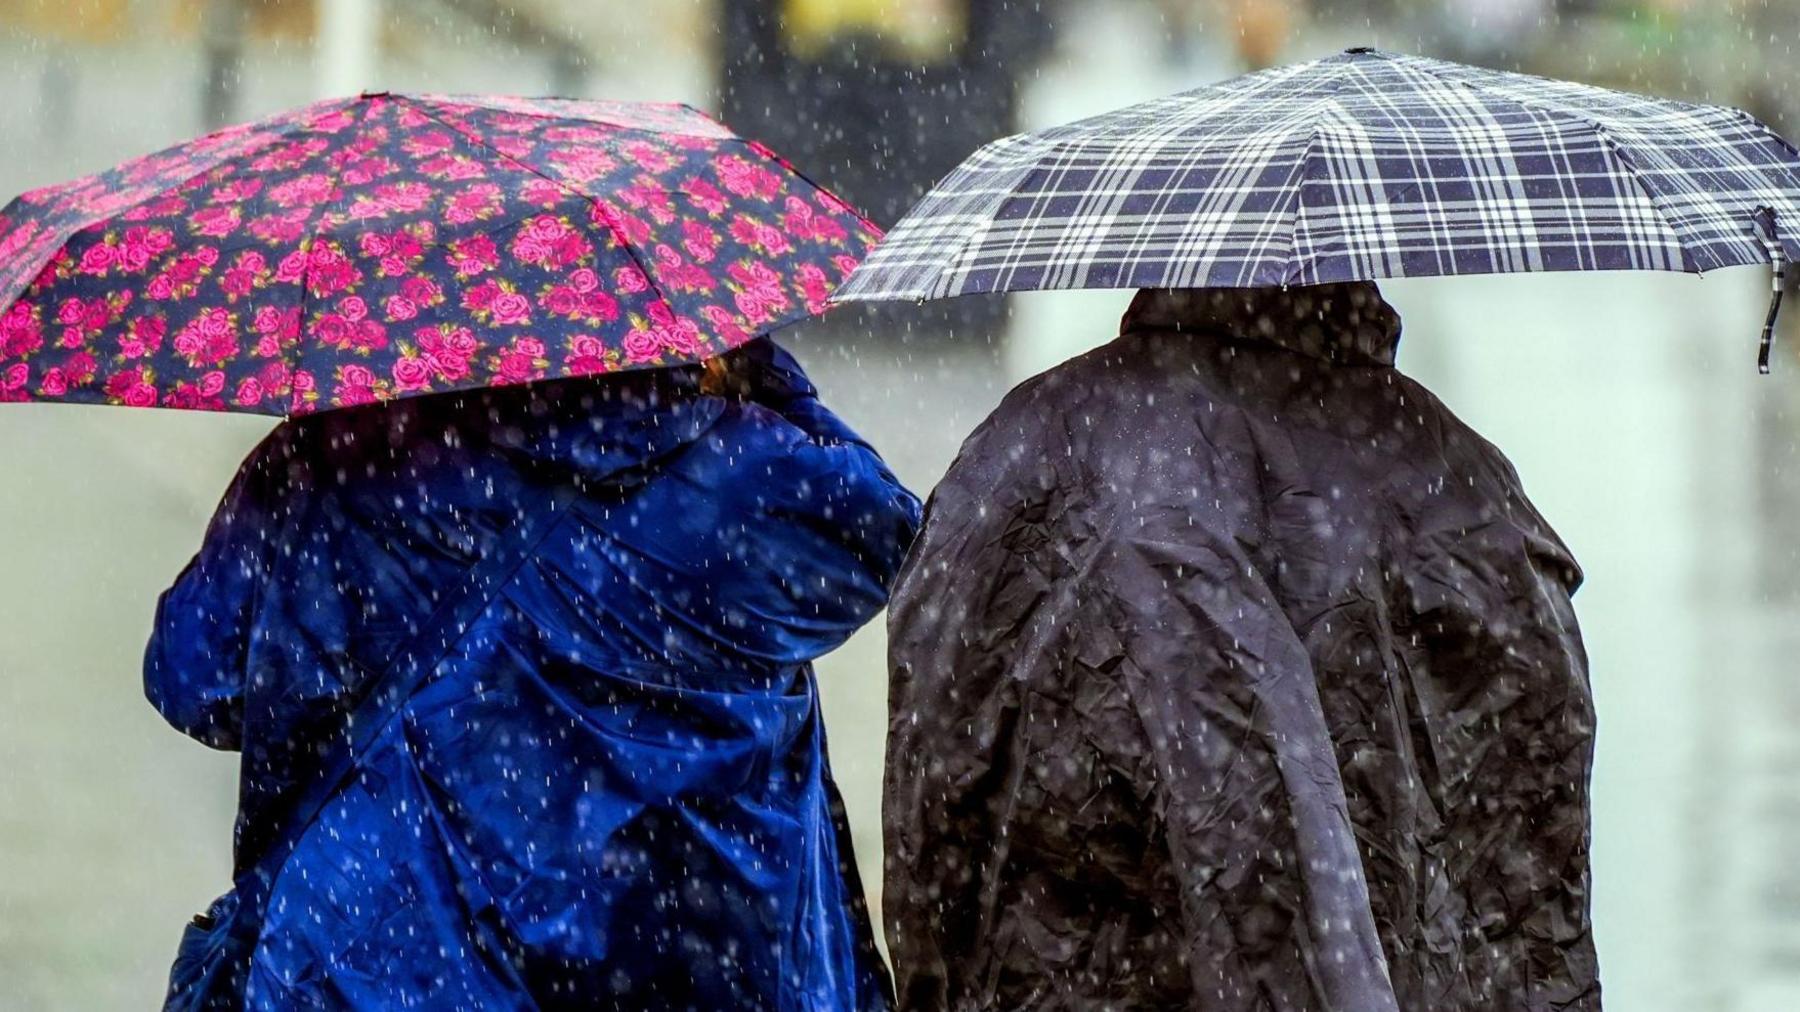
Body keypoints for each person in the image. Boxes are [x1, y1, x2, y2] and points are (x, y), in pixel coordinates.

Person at [883, 284, 1600, 1011]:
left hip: (1083, 966)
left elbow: (937, 758)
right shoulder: (1456, 467)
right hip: (1411, 963)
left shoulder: (1037, 439)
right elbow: (1538, 780)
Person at [146, 339, 919, 1011]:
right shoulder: (751, 471)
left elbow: (197, 682)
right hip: (692, 949)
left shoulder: (341, 450)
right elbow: (893, 538)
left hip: (378, 954)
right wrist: (767, 375)